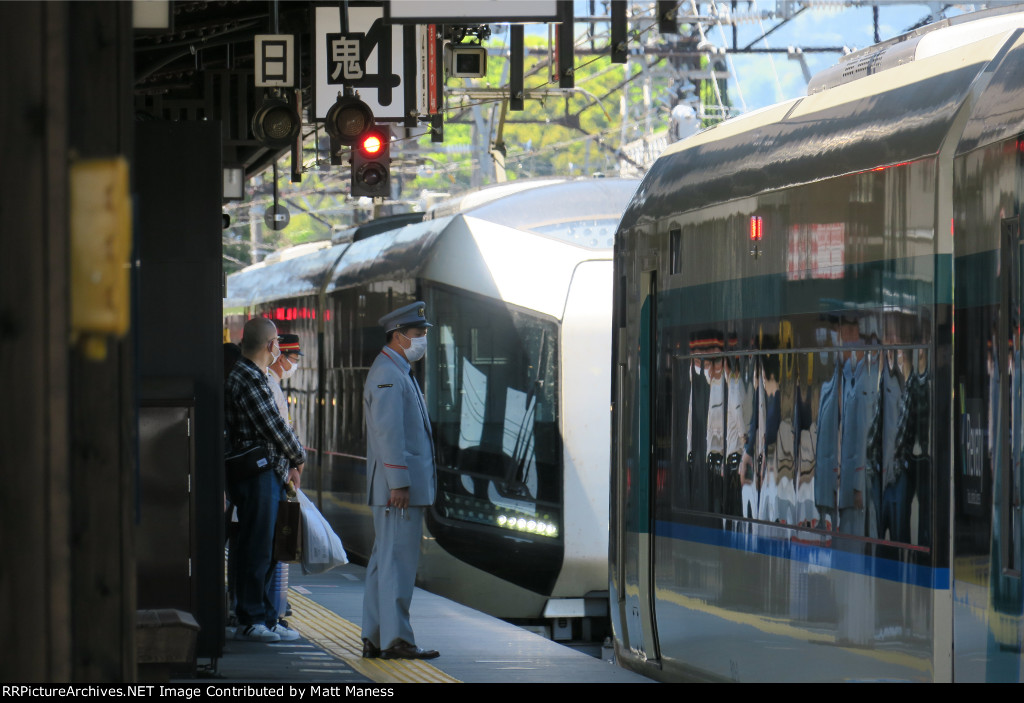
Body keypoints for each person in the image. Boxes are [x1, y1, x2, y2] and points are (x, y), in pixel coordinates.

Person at [360, 301, 439, 660]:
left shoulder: (396, 369)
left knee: (384, 562)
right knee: (398, 563)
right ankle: (397, 640)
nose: (422, 340)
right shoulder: (389, 374)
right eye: (418, 334)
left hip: (396, 487)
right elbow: (389, 431)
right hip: (398, 491)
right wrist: (399, 483)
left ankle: (376, 636)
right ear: (398, 336)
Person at [225, 318, 305, 643]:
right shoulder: (249, 379)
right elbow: (274, 427)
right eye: (277, 345)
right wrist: (299, 455)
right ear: (271, 345)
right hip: (257, 474)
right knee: (258, 546)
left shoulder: (250, 375)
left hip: (263, 472)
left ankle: (263, 616)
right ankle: (252, 618)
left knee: (261, 545)